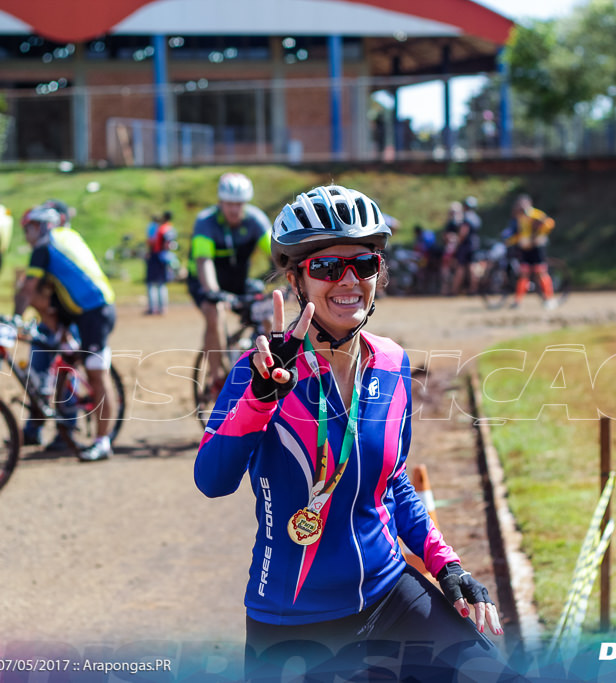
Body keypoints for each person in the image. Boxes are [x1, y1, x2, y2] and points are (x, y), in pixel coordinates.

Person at [195, 185, 520, 681]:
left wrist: (445, 564)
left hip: (391, 597)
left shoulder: (392, 363)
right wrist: (261, 398)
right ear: (295, 278)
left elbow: (393, 484)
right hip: (292, 624)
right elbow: (211, 480)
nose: (348, 280)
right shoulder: (256, 370)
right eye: (327, 267)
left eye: (363, 264)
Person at [15, 205, 117, 462]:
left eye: (27, 229)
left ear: (38, 227)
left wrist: (14, 318)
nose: (25, 235)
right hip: (80, 308)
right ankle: (66, 351)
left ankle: (102, 442)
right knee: (68, 355)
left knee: (97, 374)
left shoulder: (44, 246)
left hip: (95, 312)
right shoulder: (66, 236)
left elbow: (27, 289)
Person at [187, 172, 272, 397]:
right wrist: (213, 292)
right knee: (214, 313)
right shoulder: (206, 222)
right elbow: (204, 262)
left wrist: (293, 276)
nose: (234, 209)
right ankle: (215, 377)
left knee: (269, 309)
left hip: (238, 280)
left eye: (239, 204)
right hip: (205, 281)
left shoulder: (255, 220)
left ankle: (272, 364)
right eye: (229, 204)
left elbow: (278, 255)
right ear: (220, 202)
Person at [506, 194, 557, 308]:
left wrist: (538, 235)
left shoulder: (535, 214)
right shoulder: (520, 217)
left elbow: (549, 223)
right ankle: (518, 301)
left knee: (540, 272)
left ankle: (549, 298)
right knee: (523, 274)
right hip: (525, 249)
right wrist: (511, 241)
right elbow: (521, 233)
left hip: (536, 247)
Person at [145, 210, 175, 315]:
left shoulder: (161, 229)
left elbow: (153, 242)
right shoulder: (171, 228)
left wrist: (149, 251)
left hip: (156, 256)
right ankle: (163, 308)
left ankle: (153, 308)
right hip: (165, 256)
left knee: (152, 283)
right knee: (162, 283)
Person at [452, 196, 482, 295]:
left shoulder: (465, 217)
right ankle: (474, 289)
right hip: (475, 244)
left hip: (465, 245)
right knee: (472, 267)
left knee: (460, 267)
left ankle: (455, 290)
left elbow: (463, 232)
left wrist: (457, 243)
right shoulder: (477, 217)